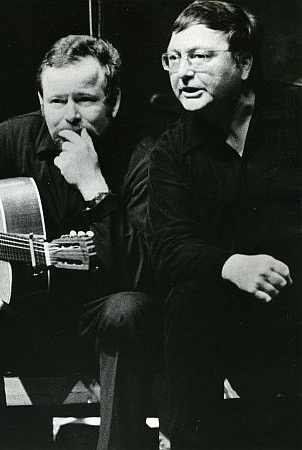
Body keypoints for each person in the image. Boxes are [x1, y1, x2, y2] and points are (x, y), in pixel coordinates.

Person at [0, 35, 158, 450]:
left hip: (100, 328)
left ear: (113, 102)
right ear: (40, 99)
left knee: (131, 308)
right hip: (24, 321)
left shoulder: (143, 156)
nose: (70, 117)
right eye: (57, 101)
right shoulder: (12, 139)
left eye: (85, 99)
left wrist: (95, 188)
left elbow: (147, 267)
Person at [147, 1, 301, 449]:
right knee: (188, 298)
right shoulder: (172, 150)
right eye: (173, 59)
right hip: (231, 314)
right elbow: (170, 246)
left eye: (200, 56)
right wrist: (231, 265)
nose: (183, 72)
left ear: (244, 63)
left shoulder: (295, 114)